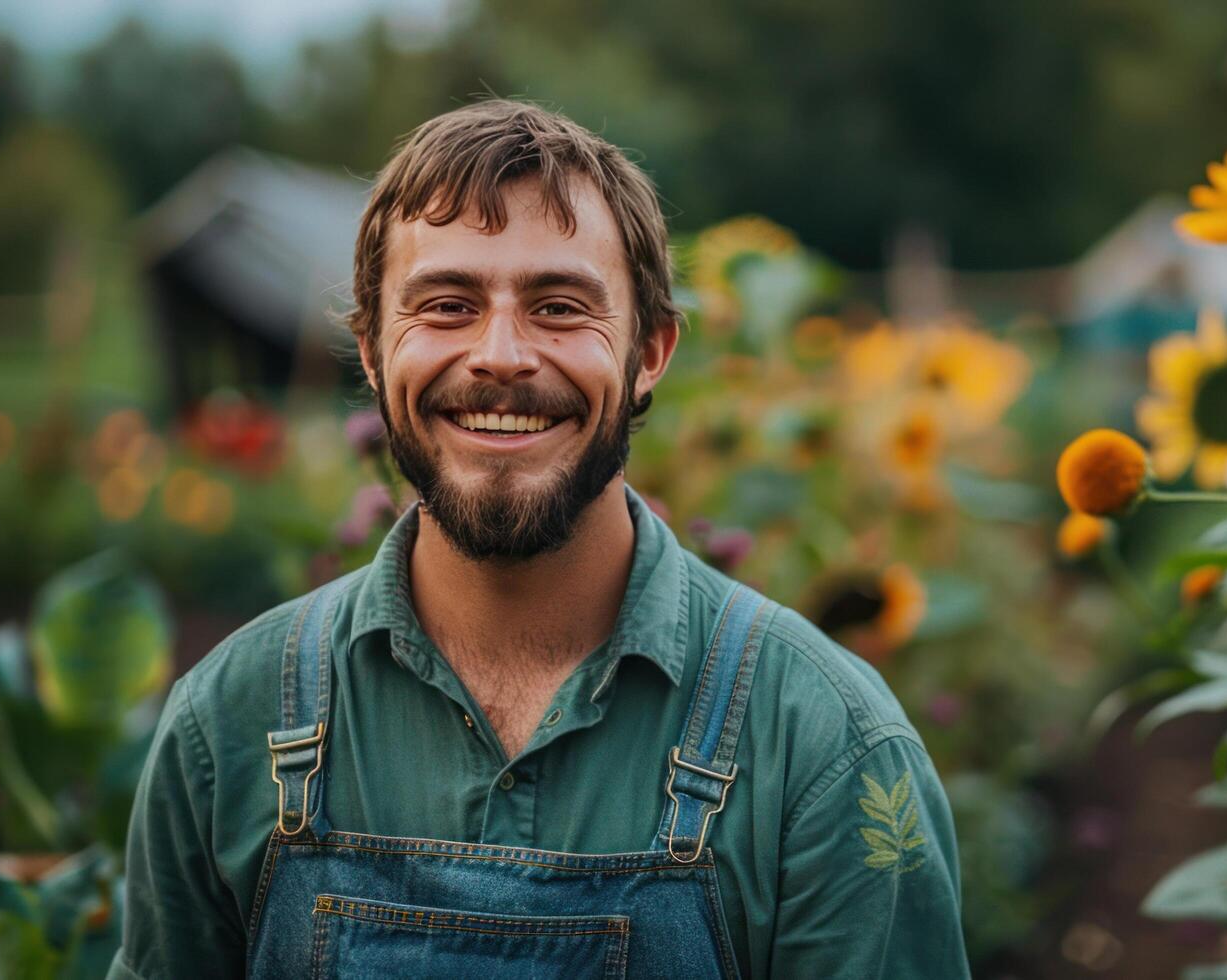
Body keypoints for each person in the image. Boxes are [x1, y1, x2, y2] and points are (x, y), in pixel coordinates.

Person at [109, 97, 968, 979]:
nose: (501, 356)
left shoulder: (824, 745)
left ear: (649, 353)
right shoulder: (228, 728)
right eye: (445, 304)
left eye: (560, 306)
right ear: (370, 349)